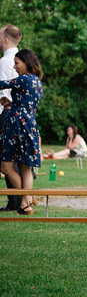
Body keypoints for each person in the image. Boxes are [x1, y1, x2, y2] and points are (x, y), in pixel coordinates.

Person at [0, 49, 43, 215]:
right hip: (30, 125)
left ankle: (26, 201)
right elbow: (26, 103)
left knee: (6, 166)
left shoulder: (23, 79)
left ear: (27, 63)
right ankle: (27, 204)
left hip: (17, 125)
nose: (14, 66)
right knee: (25, 167)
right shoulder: (37, 82)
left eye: (17, 63)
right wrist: (11, 102)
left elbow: (2, 84)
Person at [0, 25, 22, 211]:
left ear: (6, 39)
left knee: (6, 161)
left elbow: (2, 92)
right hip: (20, 114)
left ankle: (18, 201)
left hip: (6, 113)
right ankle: (16, 201)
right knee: (12, 160)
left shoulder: (5, 61)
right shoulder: (24, 60)